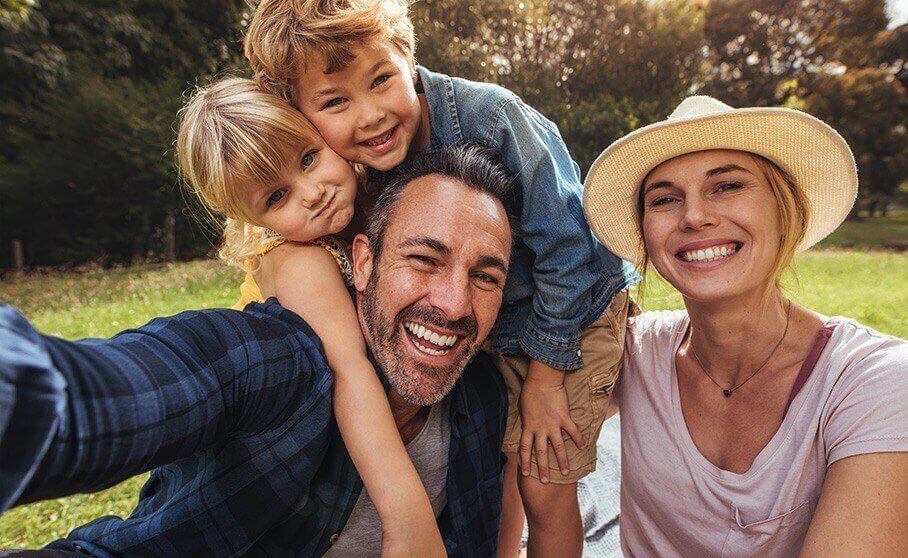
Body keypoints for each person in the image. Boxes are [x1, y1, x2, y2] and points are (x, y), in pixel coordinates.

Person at [243, 2, 638, 555]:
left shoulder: (493, 119)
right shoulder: (363, 169)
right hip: (490, 319)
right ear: (305, 117)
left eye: (381, 80)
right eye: (335, 102)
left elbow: (573, 248)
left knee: (543, 476)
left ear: (407, 57)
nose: (371, 115)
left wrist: (547, 380)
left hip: (578, 312)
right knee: (503, 461)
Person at [0, 144, 513, 557]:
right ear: (361, 263)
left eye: (485, 276)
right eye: (424, 259)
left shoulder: (485, 399)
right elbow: (111, 396)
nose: (453, 304)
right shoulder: (276, 361)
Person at [582, 95, 908, 557]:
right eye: (665, 199)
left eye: (727, 186)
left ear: (784, 210)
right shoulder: (633, 352)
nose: (694, 216)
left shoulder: (875, 381)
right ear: (646, 237)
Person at [176, 76, 444, 554]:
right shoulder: (303, 263)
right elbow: (349, 373)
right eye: (277, 197)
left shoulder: (366, 198)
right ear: (251, 218)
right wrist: (407, 516)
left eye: (308, 158)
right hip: (263, 457)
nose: (312, 192)